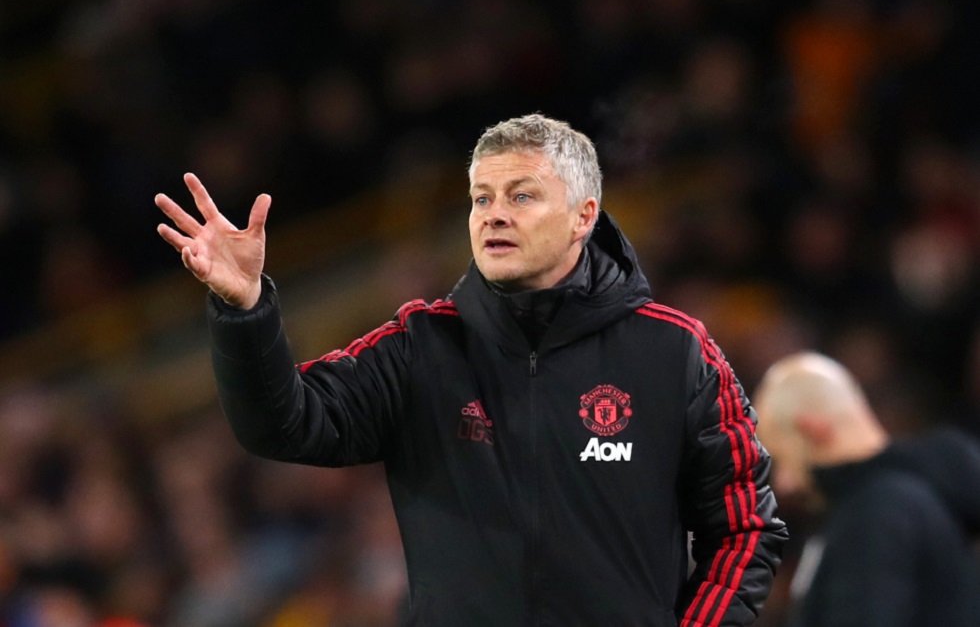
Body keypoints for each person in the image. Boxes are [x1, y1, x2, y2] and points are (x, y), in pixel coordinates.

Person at [155, 114, 787, 626]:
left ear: (583, 216)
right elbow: (285, 424)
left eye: (521, 196)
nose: (493, 214)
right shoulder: (421, 346)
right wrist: (246, 311)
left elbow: (745, 527)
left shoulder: (675, 351)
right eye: (481, 198)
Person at [753, 351, 980, 627]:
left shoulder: (876, 512)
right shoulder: (900, 498)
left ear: (814, 429)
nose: (784, 483)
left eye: (781, 458)